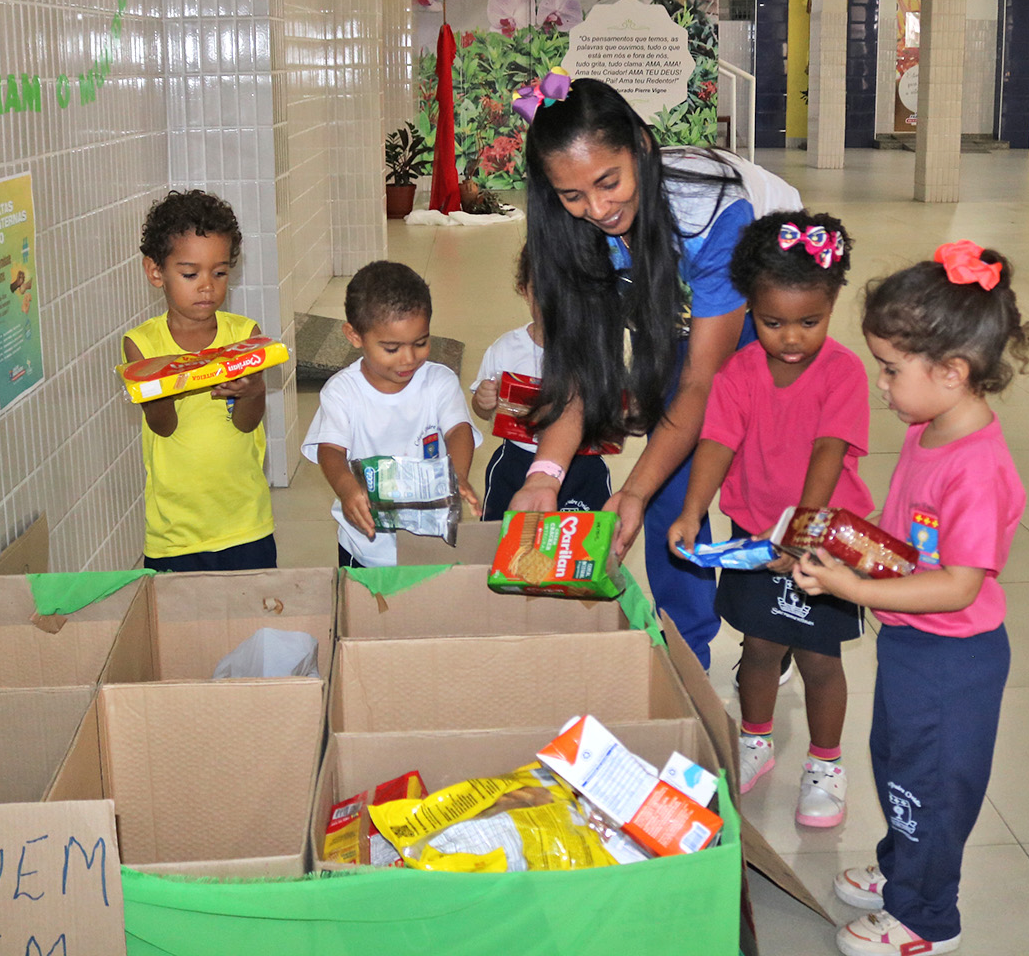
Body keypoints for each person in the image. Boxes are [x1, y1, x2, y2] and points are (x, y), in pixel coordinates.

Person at [791, 241, 1029, 956]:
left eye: (891, 369)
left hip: (951, 659)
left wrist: (854, 586)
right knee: (900, 763)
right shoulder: (926, 428)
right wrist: (851, 545)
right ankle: (906, 868)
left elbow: (960, 581)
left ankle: (927, 919)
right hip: (914, 645)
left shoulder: (977, 470)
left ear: (953, 372)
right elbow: (910, 538)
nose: (881, 384)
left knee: (930, 786)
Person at [508, 76, 799, 668]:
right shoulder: (571, 230)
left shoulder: (710, 207)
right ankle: (685, 648)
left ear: (640, 146)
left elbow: (701, 381)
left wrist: (632, 489)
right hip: (671, 286)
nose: (596, 208)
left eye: (608, 182)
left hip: (770, 284)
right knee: (671, 480)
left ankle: (770, 629)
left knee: (757, 471)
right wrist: (544, 474)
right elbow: (582, 374)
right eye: (571, 195)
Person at [667, 211, 870, 830]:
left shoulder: (843, 372)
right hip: (755, 541)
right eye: (772, 322)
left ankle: (826, 764)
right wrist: (692, 509)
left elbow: (829, 451)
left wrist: (803, 529)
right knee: (759, 648)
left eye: (810, 322)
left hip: (822, 545)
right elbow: (717, 445)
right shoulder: (738, 374)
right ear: (749, 308)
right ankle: (754, 740)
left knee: (818, 658)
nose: (790, 337)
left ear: (833, 305)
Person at [123, 189, 276, 572]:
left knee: (253, 624)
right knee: (181, 629)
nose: (207, 285)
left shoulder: (245, 336)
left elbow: (247, 423)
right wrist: (165, 383)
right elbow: (163, 426)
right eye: (190, 274)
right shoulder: (142, 345)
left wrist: (252, 390)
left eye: (220, 272)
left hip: (244, 522)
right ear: (155, 272)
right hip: (175, 531)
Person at [302, 261, 480, 567]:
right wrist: (346, 488)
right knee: (367, 612)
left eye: (421, 343)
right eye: (391, 348)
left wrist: (457, 474)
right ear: (355, 336)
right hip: (365, 545)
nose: (409, 358)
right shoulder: (343, 392)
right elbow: (329, 449)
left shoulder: (438, 381)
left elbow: (458, 429)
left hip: (432, 541)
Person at [470, 244, 612, 519]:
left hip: (583, 465)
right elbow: (483, 409)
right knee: (504, 540)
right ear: (524, 291)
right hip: (516, 461)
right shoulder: (506, 349)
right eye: (543, 293)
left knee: (585, 544)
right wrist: (484, 401)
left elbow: (610, 413)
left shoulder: (594, 351)